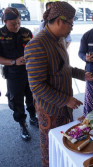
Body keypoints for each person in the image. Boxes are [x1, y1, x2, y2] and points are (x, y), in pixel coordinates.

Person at [24, 2, 93, 166]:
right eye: (70, 23)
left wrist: (82, 74)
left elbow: (64, 68)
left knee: (67, 147)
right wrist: (66, 100)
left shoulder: (60, 39)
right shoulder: (36, 45)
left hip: (64, 107)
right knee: (51, 150)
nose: (72, 28)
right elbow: (37, 86)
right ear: (59, 21)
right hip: (50, 111)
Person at [0, 7, 38, 141]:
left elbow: (34, 49)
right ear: (5, 21)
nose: (16, 26)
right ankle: (23, 125)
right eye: (12, 24)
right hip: (13, 73)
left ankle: (33, 116)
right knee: (17, 101)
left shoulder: (26, 32)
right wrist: (14, 61)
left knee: (32, 96)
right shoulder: (1, 35)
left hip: (30, 72)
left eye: (18, 23)